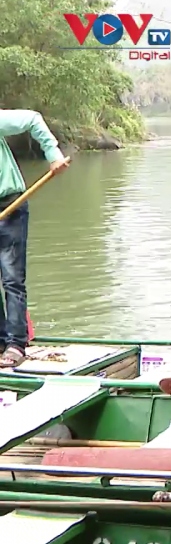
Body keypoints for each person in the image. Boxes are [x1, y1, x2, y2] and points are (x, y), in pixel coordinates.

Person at [0, 110, 69, 367]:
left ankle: (16, 344)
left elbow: (32, 119)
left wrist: (53, 155)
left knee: (12, 279)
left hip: (10, 206)